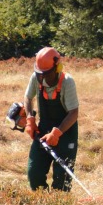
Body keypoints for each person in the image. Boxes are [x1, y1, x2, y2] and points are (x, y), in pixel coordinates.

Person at [21, 46, 79, 192]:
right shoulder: (36, 78)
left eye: (45, 74)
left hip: (66, 132)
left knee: (62, 180)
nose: (41, 78)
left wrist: (57, 133)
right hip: (44, 128)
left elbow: (73, 113)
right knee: (34, 173)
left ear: (57, 68)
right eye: (39, 73)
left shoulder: (67, 82)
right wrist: (30, 119)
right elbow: (28, 98)